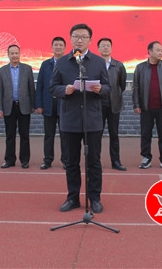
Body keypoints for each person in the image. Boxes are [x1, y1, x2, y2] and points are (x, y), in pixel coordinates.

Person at [50, 23, 110, 213]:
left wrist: (100, 89)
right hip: (70, 119)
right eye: (76, 36)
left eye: (83, 37)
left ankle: (95, 198)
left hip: (92, 119)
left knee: (94, 162)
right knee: (71, 161)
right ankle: (73, 197)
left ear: (90, 40)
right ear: (70, 39)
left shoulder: (98, 62)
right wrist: (64, 90)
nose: (79, 40)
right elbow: (53, 87)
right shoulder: (62, 62)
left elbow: (108, 87)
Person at [132, 41, 162, 170]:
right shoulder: (140, 68)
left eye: (161, 50)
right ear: (150, 51)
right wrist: (136, 104)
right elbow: (135, 87)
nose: (160, 53)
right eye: (158, 50)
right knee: (145, 134)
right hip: (146, 108)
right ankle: (146, 158)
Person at [0, 44, 35, 169]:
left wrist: (33, 105)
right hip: (9, 106)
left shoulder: (27, 69)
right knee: (10, 135)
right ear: (8, 55)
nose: (14, 55)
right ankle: (9, 160)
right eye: (12, 53)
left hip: (24, 106)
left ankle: (24, 160)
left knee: (24, 135)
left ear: (20, 54)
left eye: (16, 53)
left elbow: (31, 88)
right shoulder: (2, 71)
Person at [35, 36, 68, 170]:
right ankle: (47, 160)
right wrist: (39, 104)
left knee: (65, 135)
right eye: (56, 45)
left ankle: (66, 160)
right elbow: (40, 85)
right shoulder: (45, 64)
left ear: (65, 48)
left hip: (64, 105)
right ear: (52, 47)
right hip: (48, 104)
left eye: (61, 45)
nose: (58, 47)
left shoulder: (69, 63)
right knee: (49, 135)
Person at [98, 37, 128, 171]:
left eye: (108, 45)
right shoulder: (94, 64)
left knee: (114, 134)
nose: (105, 48)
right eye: (103, 45)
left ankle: (116, 161)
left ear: (111, 48)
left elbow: (122, 85)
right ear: (98, 48)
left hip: (114, 104)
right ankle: (95, 162)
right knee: (96, 135)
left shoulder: (118, 65)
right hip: (98, 104)